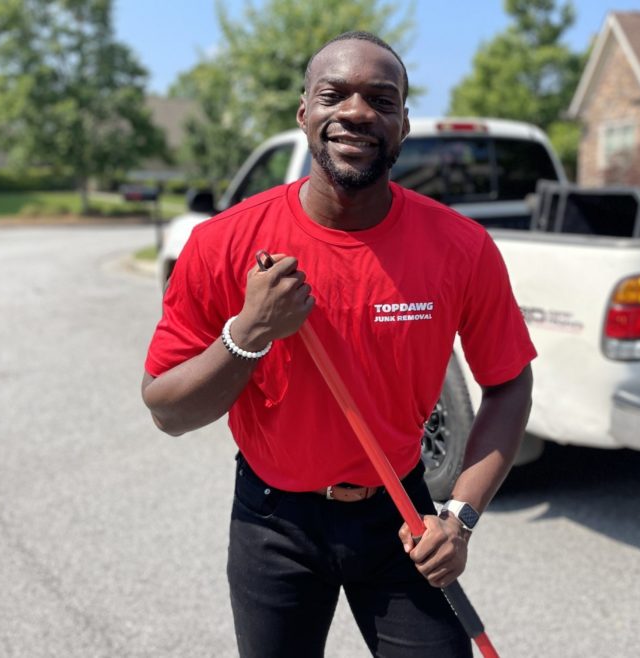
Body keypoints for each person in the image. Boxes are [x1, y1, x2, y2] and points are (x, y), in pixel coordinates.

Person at [142, 30, 535, 658]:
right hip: (272, 522)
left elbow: (509, 381)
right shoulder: (224, 244)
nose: (356, 111)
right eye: (335, 95)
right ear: (305, 113)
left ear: (403, 125)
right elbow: (167, 409)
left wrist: (459, 518)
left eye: (382, 100)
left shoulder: (460, 247)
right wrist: (249, 334)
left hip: (402, 518)